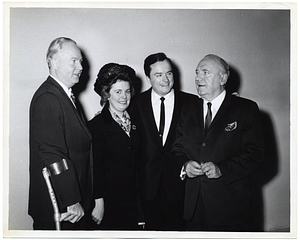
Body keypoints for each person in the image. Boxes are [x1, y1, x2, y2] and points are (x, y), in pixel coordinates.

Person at [172, 54, 265, 231]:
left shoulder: (245, 109)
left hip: (230, 209)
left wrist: (222, 169)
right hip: (194, 209)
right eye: (197, 73)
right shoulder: (188, 109)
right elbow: (177, 148)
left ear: (223, 78)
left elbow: (256, 156)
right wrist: (185, 165)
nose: (198, 78)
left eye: (205, 72)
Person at [29, 37, 93, 230]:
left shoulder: (64, 95)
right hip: (63, 208)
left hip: (69, 205)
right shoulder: (49, 97)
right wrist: (72, 200)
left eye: (80, 61)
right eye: (74, 61)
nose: (80, 67)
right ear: (54, 62)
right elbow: (52, 154)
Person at [131, 52, 198, 230]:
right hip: (147, 186)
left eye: (169, 73)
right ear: (148, 77)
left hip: (180, 183)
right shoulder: (135, 104)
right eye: (158, 75)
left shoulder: (191, 103)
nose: (165, 80)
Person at [88, 63, 141, 230]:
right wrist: (99, 203)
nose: (124, 97)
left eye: (127, 91)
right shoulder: (96, 126)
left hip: (133, 201)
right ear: (107, 94)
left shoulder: (137, 121)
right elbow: (96, 168)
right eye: (118, 91)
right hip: (110, 203)